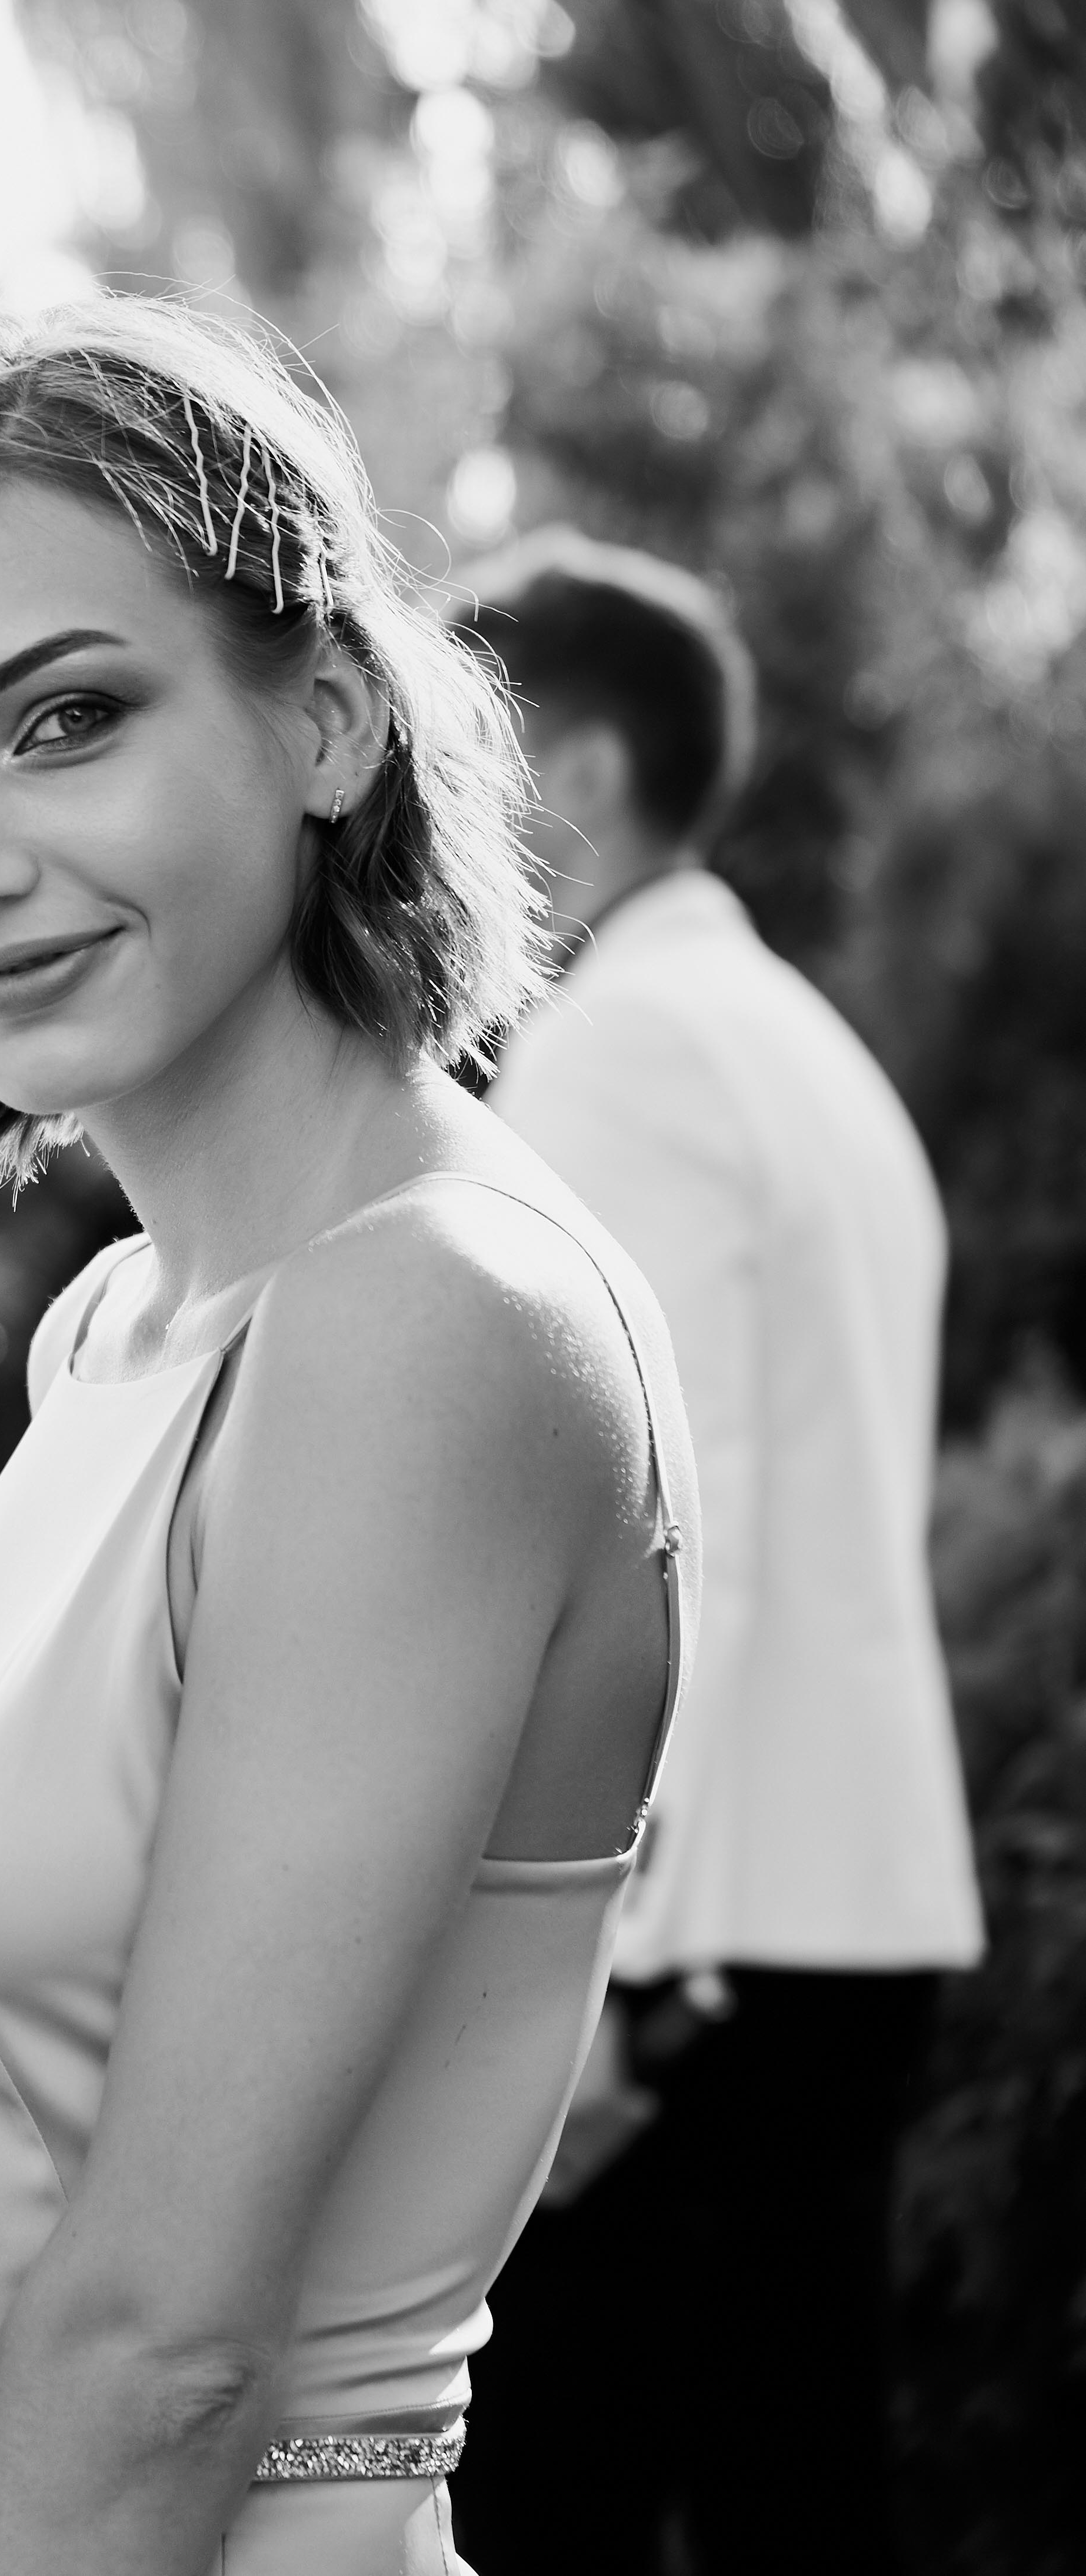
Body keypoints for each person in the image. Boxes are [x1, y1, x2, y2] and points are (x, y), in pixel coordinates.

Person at [0, 298, 696, 2576]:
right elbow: (121, 2024)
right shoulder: (131, 1324)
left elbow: (167, 2346)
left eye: (64, 721)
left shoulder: (426, 1323)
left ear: (326, 718)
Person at [448, 534, 981, 2575]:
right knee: (795, 2489)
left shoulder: (627, 1047)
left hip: (702, 1954)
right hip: (844, 1901)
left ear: (577, 767)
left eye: (465, 753)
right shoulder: (807, 1048)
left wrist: (601, 1968)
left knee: (558, 2500)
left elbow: (670, 1534)